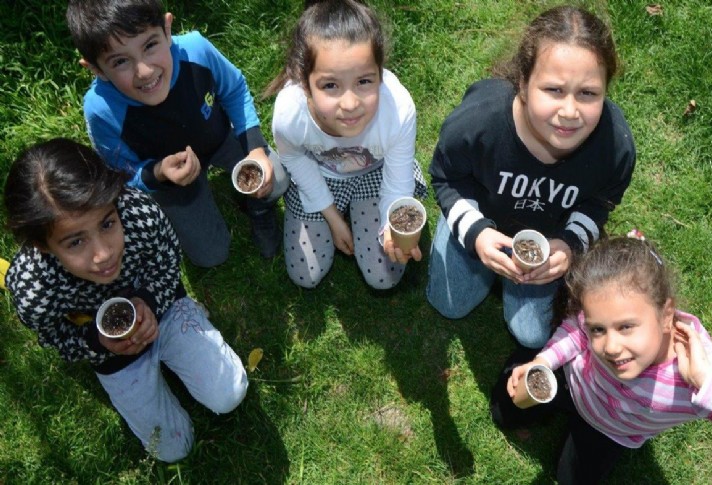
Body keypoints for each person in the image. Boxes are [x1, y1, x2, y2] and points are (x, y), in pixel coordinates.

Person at [3, 138, 248, 462]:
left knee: (229, 393)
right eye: (76, 242)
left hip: (165, 309)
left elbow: (167, 259)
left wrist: (150, 300)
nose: (103, 253)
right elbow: (55, 337)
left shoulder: (137, 211)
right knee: (173, 448)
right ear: (43, 246)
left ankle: (185, 325)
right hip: (108, 351)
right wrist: (97, 341)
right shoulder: (34, 289)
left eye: (107, 223)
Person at [489, 236, 712, 483]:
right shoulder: (604, 310)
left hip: (611, 431)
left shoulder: (698, 370)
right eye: (599, 329)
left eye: (626, 327)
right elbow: (576, 331)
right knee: (503, 410)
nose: (611, 347)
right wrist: (544, 362)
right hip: (573, 383)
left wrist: (708, 384)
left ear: (666, 315)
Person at [426, 5, 635, 350]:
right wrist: (476, 233)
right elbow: (447, 178)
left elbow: (599, 202)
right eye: (553, 90)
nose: (569, 112)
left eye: (588, 93)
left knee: (532, 335)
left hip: (545, 241)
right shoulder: (478, 124)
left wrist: (569, 244)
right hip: (482, 214)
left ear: (605, 91)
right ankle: (461, 237)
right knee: (448, 305)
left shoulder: (614, 149)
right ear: (523, 83)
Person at [66, 0, 290, 266]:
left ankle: (258, 208)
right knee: (211, 255)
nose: (145, 72)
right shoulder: (101, 109)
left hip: (219, 139)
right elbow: (120, 171)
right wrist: (159, 173)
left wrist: (255, 149)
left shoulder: (196, 50)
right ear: (96, 69)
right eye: (120, 61)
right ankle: (197, 199)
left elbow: (235, 91)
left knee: (277, 180)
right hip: (169, 178)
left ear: (167, 29)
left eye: (150, 46)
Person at [266, 0, 427, 289]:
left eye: (364, 81)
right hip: (321, 175)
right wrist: (331, 215)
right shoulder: (289, 114)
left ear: (381, 72)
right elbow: (294, 159)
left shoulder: (398, 109)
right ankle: (339, 212)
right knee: (305, 275)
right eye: (330, 86)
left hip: (375, 173)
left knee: (383, 277)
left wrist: (391, 229)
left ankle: (362, 210)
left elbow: (397, 180)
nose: (350, 104)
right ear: (304, 83)